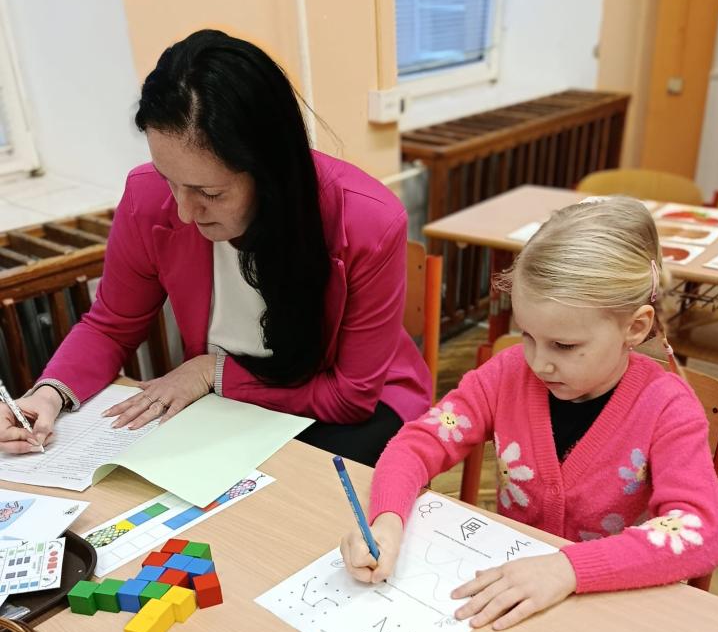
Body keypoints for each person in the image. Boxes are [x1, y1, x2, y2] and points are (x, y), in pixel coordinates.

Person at [0, 30, 431, 466]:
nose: (185, 212)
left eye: (210, 192)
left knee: (283, 496)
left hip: (349, 406)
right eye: (169, 179)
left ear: (269, 173)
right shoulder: (147, 198)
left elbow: (349, 395)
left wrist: (212, 371)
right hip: (230, 402)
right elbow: (111, 326)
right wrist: (48, 394)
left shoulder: (368, 221)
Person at [341, 197, 718, 628]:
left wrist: (567, 569)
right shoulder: (508, 375)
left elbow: (700, 533)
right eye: (527, 335)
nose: (539, 362)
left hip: (608, 611)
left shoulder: (667, 407)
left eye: (563, 346)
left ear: (634, 327)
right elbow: (418, 444)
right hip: (512, 598)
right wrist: (387, 519)